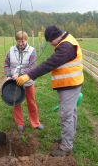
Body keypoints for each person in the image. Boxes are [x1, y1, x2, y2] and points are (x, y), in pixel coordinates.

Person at [16, 25, 84, 157]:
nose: (51, 45)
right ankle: (68, 138)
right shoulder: (67, 41)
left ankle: (66, 147)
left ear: (54, 37)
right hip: (71, 83)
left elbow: (49, 63)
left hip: (70, 85)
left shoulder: (66, 46)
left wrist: (29, 75)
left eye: (50, 41)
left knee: (66, 115)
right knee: (71, 113)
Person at [4, 31, 43, 132]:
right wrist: (9, 75)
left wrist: (20, 73)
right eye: (18, 41)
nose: (21, 43)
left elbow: (32, 67)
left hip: (27, 81)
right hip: (14, 81)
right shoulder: (11, 50)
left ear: (26, 40)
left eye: (23, 41)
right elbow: (7, 64)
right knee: (16, 102)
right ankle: (20, 123)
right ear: (16, 41)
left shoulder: (32, 51)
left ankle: (35, 123)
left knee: (31, 102)